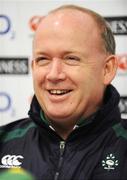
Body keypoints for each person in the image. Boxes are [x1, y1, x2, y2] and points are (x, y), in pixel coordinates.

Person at [0, 4, 127, 180]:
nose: (53, 74)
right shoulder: (4, 141)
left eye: (71, 58)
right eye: (43, 59)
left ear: (107, 69)